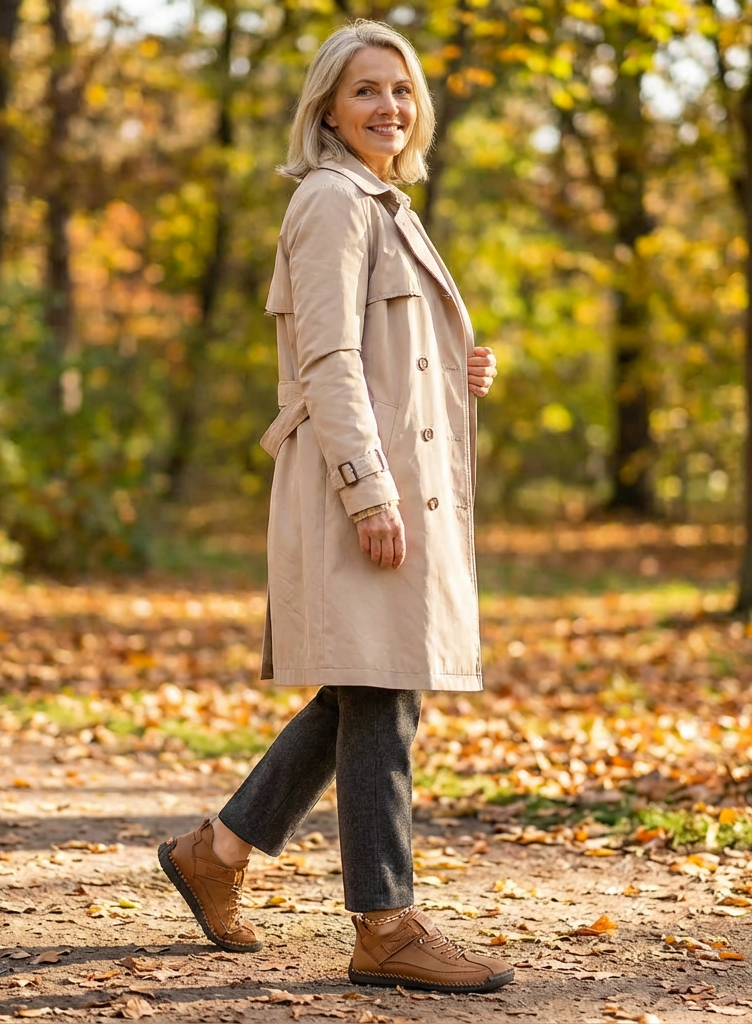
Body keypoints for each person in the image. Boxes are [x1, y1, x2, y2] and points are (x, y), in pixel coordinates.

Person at [158, 20, 509, 995]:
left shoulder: (385, 202)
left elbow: (384, 357)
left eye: (400, 89)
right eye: (365, 90)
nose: (387, 106)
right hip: (359, 486)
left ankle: (215, 854)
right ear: (326, 108)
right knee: (383, 691)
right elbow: (328, 360)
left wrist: (455, 367)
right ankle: (385, 925)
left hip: (387, 480)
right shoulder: (330, 201)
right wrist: (366, 491)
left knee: (365, 687)